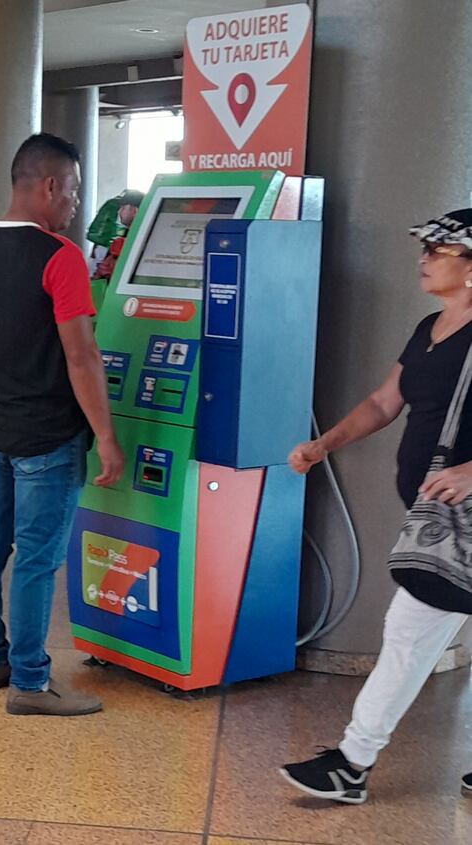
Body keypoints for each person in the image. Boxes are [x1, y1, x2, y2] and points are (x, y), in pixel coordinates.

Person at [280, 208, 472, 804]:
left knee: (408, 633)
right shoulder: (429, 328)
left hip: (458, 527)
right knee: (412, 634)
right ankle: (353, 762)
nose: (423, 257)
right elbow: (384, 403)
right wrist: (322, 445)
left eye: (438, 250)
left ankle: (353, 763)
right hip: (440, 524)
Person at [0, 132, 125, 717]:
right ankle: (30, 684)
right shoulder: (60, 258)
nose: (75, 205)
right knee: (34, 557)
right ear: (49, 185)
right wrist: (106, 437)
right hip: (48, 437)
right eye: (75, 191)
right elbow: (82, 356)